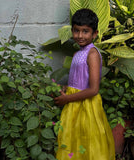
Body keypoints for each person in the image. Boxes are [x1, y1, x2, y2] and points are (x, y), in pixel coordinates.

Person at [54, 8, 115, 160]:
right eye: (76, 31)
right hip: (73, 104)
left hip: (87, 105)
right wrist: (67, 88)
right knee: (73, 139)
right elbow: (78, 80)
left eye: (85, 31)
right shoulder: (77, 54)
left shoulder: (92, 54)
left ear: (95, 33)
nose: (80, 35)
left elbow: (93, 89)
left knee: (88, 140)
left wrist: (67, 99)